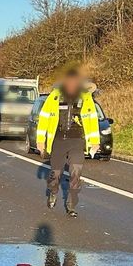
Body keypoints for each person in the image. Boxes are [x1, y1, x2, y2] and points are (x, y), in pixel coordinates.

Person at [35, 67, 101, 217]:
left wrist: (95, 142)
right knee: (55, 174)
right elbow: (44, 118)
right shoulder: (54, 97)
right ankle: (53, 191)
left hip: (77, 141)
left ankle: (71, 205)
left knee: (76, 173)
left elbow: (92, 121)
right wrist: (40, 141)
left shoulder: (86, 98)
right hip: (58, 141)